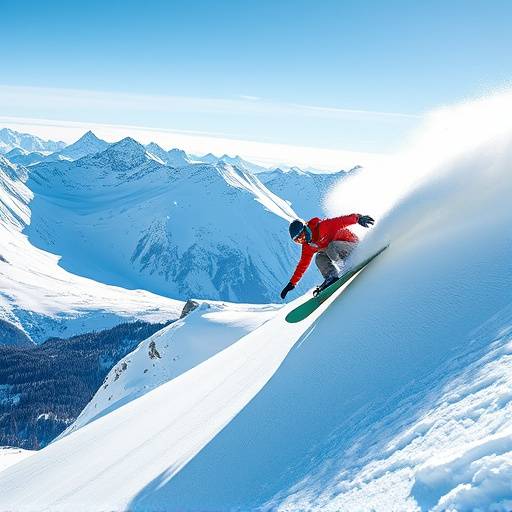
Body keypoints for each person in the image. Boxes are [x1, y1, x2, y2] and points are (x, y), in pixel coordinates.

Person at [280, 213, 375, 299]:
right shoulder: (307, 246)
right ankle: (331, 276)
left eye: (302, 237)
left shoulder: (323, 226)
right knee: (319, 257)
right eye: (298, 241)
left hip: (352, 247)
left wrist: (358, 219)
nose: (302, 241)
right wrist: (292, 283)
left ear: (306, 229)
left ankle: (349, 262)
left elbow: (342, 220)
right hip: (337, 252)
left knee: (331, 247)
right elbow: (302, 265)